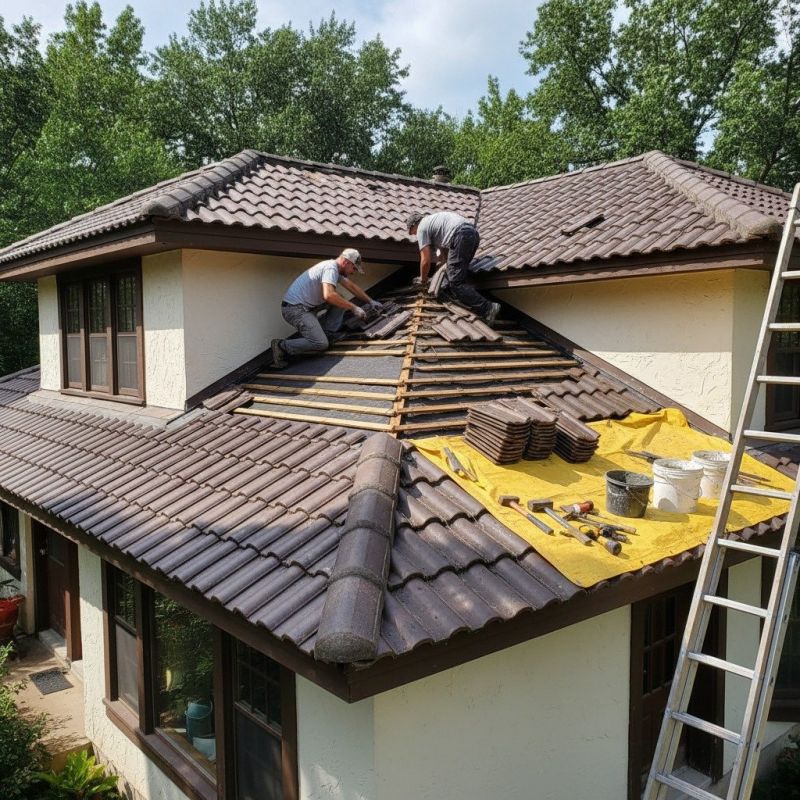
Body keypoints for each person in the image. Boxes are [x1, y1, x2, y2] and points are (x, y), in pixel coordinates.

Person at [271, 248, 382, 368]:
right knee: (320, 343)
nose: (353, 272)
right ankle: (281, 345)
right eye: (354, 268)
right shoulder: (330, 268)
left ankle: (329, 333)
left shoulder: (335, 269)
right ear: (345, 262)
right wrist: (353, 307)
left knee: (340, 298)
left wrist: (370, 301)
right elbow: (328, 295)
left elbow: (351, 286)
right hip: (295, 309)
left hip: (309, 306)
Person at [406, 210, 500, 325]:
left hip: (460, 235)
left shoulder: (422, 227)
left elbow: (425, 260)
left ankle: (488, 308)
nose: (414, 235)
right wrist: (438, 279)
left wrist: (423, 279)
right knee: (455, 276)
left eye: (412, 232)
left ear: (414, 225)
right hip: (472, 234)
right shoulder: (435, 224)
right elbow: (445, 259)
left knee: (456, 283)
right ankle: (459, 297)